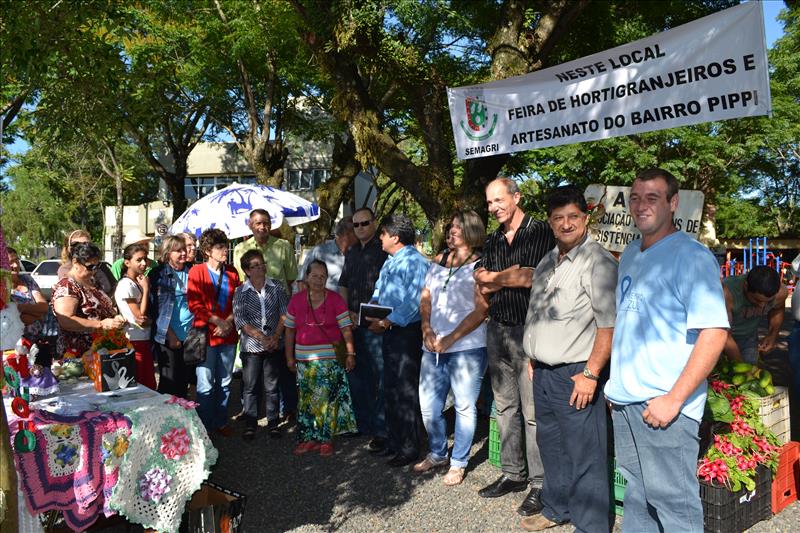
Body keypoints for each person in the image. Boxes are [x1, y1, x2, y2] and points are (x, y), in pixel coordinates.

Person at [604, 168, 729, 533]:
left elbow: (714, 333)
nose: (641, 205)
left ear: (673, 203)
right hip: (628, 402)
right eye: (635, 198)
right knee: (638, 498)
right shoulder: (631, 252)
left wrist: (674, 399)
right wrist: (618, 385)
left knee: (676, 509)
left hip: (664, 407)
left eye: (652, 198)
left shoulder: (691, 256)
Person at [519, 186, 617, 532]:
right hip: (544, 373)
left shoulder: (598, 262)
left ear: (585, 218)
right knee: (552, 445)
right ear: (549, 222)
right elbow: (538, 314)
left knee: (585, 453)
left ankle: (591, 526)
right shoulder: (548, 261)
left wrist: (591, 374)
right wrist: (533, 356)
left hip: (577, 373)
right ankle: (556, 508)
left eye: (573, 216)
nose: (566, 224)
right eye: (558, 218)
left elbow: (609, 325)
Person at [474, 177, 555, 515]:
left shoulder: (540, 232)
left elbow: (533, 277)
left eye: (498, 200)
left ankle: (540, 483)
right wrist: (503, 277)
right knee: (505, 407)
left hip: (529, 331)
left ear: (516, 197)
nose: (493, 207)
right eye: (489, 202)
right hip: (497, 329)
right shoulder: (493, 239)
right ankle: (512, 473)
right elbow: (480, 280)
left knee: (533, 411)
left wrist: (495, 278)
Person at [415, 211, 488, 485]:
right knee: (428, 407)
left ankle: (458, 462)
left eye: (458, 227)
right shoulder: (438, 260)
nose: (451, 230)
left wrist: (451, 338)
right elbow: (426, 297)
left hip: (467, 348)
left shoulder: (481, 265)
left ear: (471, 230)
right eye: (450, 226)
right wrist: (426, 328)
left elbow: (481, 310)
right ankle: (437, 452)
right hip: (433, 346)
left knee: (464, 407)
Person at [367, 214, 430, 467]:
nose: (379, 238)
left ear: (395, 237)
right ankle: (394, 442)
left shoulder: (415, 261)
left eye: (382, 233)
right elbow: (379, 291)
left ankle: (409, 448)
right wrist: (371, 308)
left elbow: (414, 302)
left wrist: (387, 321)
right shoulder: (390, 261)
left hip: (406, 333)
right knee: (391, 387)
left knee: (405, 389)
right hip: (389, 330)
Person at [284, 260, 357, 456]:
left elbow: (346, 329)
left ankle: (326, 439)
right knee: (306, 401)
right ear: (306, 277)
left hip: (329, 360)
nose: (318, 280)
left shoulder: (335, 299)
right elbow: (289, 331)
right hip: (304, 361)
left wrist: (350, 353)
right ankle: (308, 438)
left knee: (327, 400)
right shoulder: (296, 300)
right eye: (314, 276)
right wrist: (289, 357)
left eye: (322, 276)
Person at [232, 209, 298, 419]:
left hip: (278, 314)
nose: (262, 227)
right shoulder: (240, 249)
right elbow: (241, 282)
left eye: (266, 222)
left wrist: (278, 328)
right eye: (258, 223)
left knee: (281, 368)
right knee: (250, 373)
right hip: (251, 316)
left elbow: (290, 280)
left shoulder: (284, 246)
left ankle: (286, 409)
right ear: (250, 225)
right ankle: (249, 412)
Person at [338, 207, 390, 452]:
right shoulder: (351, 252)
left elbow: (388, 289)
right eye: (356, 225)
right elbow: (344, 284)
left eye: (364, 223)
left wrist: (371, 316)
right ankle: (363, 423)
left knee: (380, 378)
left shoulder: (384, 250)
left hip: (374, 324)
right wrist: (345, 312)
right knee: (358, 376)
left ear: (374, 223)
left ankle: (381, 430)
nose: (360, 228)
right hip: (353, 323)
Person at [187, 228, 241, 436]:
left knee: (225, 382)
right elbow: (194, 304)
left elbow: (238, 301)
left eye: (225, 246)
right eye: (219, 247)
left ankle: (221, 421)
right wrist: (218, 321)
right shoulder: (196, 271)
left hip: (228, 334)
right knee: (205, 384)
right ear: (207, 250)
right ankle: (204, 427)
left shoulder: (232, 272)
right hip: (206, 335)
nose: (225, 250)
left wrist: (227, 322)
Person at [233, 249, 288, 440]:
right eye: (255, 266)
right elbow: (241, 320)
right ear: (247, 270)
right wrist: (262, 337)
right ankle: (250, 423)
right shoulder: (241, 291)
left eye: (262, 263)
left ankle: (273, 422)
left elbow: (285, 314)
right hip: (251, 348)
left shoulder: (277, 286)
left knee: (272, 386)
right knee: (250, 387)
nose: (261, 268)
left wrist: (275, 337)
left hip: (274, 344)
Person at [52, 242, 125, 357]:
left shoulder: (91, 281)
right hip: (79, 354)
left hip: (101, 349)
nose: (94, 271)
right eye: (90, 266)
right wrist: (100, 324)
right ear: (75, 262)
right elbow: (66, 320)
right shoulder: (66, 286)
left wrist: (115, 319)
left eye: (97, 266)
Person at [149, 236, 194, 398]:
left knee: (185, 381)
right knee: (169, 382)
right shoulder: (158, 274)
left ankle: (182, 412)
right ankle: (166, 413)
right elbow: (155, 309)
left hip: (191, 334)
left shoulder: (193, 270)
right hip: (168, 335)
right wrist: (171, 335)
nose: (183, 253)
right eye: (178, 250)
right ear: (168, 253)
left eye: (184, 249)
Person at [721, 266, 788, 364]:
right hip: (718, 336)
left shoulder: (781, 293)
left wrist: (772, 335)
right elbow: (724, 334)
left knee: (750, 365)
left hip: (749, 337)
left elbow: (778, 308)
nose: (762, 305)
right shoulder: (727, 293)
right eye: (757, 300)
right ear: (746, 286)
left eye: (768, 302)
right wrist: (743, 367)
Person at [114, 243, 158, 389]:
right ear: (127, 263)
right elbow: (141, 317)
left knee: (148, 384)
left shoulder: (136, 282)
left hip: (143, 339)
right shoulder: (126, 285)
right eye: (139, 260)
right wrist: (146, 289)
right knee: (140, 385)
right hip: (134, 340)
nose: (144, 263)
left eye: (145, 259)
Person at [6, 247, 54, 364]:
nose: (15, 265)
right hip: (17, 346)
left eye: (16, 260)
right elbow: (16, 319)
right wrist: (37, 315)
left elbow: (43, 306)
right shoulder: (3, 287)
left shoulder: (27, 280)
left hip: (40, 341)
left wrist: (20, 308)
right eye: (10, 262)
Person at [299, 217, 357, 291]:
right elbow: (302, 282)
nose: (359, 236)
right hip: (323, 298)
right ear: (347, 234)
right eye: (356, 232)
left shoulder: (358, 253)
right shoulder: (319, 252)